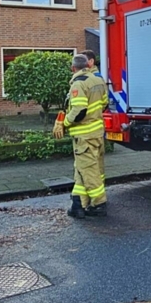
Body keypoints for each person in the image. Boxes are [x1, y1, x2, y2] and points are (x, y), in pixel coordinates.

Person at [54, 54, 108, 218]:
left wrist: (65, 123)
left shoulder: (78, 83)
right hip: (97, 132)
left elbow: (79, 110)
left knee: (89, 171)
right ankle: (78, 204)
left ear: (73, 68)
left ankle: (99, 203)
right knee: (84, 169)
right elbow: (104, 104)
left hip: (84, 135)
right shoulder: (98, 80)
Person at [81, 49, 108, 187]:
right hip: (97, 127)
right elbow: (104, 102)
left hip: (90, 128)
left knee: (92, 163)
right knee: (97, 162)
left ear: (91, 62)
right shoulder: (96, 78)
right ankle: (98, 189)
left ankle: (96, 192)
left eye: (83, 61)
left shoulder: (94, 79)